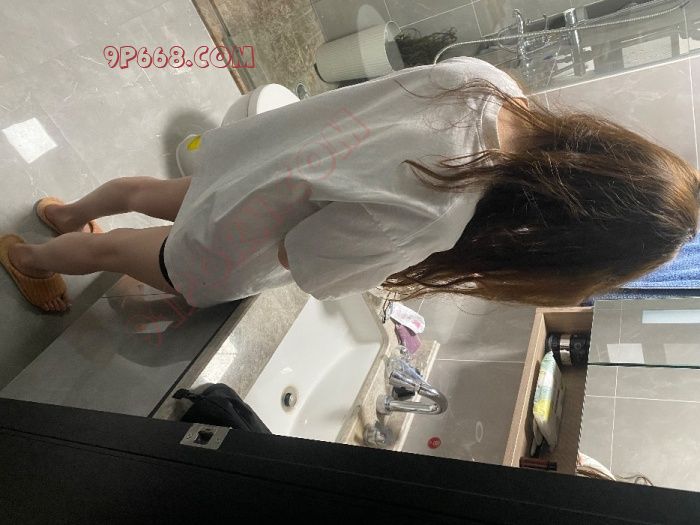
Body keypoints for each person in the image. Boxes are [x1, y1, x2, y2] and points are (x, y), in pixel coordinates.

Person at [1, 57, 698, 312]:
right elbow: (302, 256)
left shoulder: (488, 84)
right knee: (118, 251)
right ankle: (31, 257)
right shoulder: (439, 213)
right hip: (237, 234)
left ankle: (66, 214)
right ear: (559, 242)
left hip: (254, 161)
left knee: (143, 191)